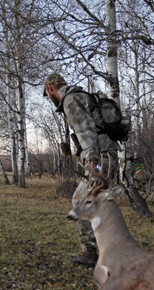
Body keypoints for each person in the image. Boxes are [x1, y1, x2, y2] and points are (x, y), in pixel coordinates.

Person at [43, 72, 119, 266]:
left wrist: (93, 162)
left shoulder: (70, 99)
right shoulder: (82, 96)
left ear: (51, 88)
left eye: (47, 93)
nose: (49, 98)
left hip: (99, 158)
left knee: (80, 201)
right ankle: (107, 251)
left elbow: (85, 131)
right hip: (106, 156)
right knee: (99, 205)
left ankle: (91, 252)